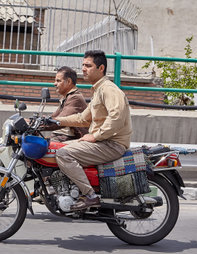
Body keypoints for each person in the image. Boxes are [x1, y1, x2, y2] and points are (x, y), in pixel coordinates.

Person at [53, 50, 133, 211]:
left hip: (111, 144)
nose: (83, 69)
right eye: (83, 65)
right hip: (103, 142)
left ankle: (90, 196)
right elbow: (83, 118)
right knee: (55, 148)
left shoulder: (108, 89)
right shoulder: (98, 90)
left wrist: (96, 136)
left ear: (101, 68)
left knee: (63, 154)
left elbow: (116, 118)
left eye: (88, 65)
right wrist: (55, 121)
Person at [47, 66, 88, 142]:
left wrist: (42, 124)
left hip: (72, 138)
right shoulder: (66, 97)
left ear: (69, 81)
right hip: (62, 136)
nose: (55, 84)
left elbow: (60, 121)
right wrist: (32, 121)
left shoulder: (75, 98)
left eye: (58, 81)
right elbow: (54, 116)